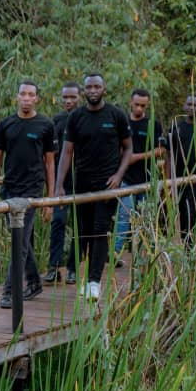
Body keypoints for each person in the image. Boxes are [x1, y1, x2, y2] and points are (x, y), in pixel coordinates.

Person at [54, 73, 131, 300]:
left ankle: (94, 281)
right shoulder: (76, 117)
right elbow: (67, 152)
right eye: (89, 87)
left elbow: (128, 148)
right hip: (82, 184)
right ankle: (83, 278)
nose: (93, 90)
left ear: (104, 89)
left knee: (100, 230)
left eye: (97, 86)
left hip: (107, 185)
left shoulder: (116, 115)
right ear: (84, 91)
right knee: (83, 233)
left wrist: (119, 175)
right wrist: (59, 185)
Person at [0, 80, 57, 309]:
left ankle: (9, 292)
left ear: (36, 99)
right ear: (16, 97)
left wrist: (50, 200)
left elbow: (50, 164)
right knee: (21, 240)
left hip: (32, 191)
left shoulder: (45, 125)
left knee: (19, 242)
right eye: (22, 93)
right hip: (10, 190)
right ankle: (34, 282)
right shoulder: (6, 125)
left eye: (30, 94)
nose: (26, 98)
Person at [112, 88, 164, 260]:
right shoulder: (122, 121)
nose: (139, 109)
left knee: (146, 217)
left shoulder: (152, 124)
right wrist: (125, 157)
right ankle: (116, 253)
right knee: (124, 215)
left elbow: (160, 150)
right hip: (126, 177)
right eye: (136, 105)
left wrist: (137, 157)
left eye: (143, 106)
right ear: (130, 102)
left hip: (148, 178)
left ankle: (145, 253)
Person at [44, 82, 81, 284]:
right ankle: (54, 267)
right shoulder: (56, 121)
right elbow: (51, 153)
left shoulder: (85, 118)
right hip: (61, 181)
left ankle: (74, 268)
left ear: (79, 97)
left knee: (79, 225)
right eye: (65, 98)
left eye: (72, 97)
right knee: (58, 221)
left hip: (82, 179)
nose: (68, 101)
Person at [166, 94, 196, 240]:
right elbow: (169, 154)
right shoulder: (176, 127)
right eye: (190, 104)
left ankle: (188, 251)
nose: (192, 108)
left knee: (190, 215)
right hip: (177, 179)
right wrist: (168, 181)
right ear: (184, 106)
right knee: (173, 214)